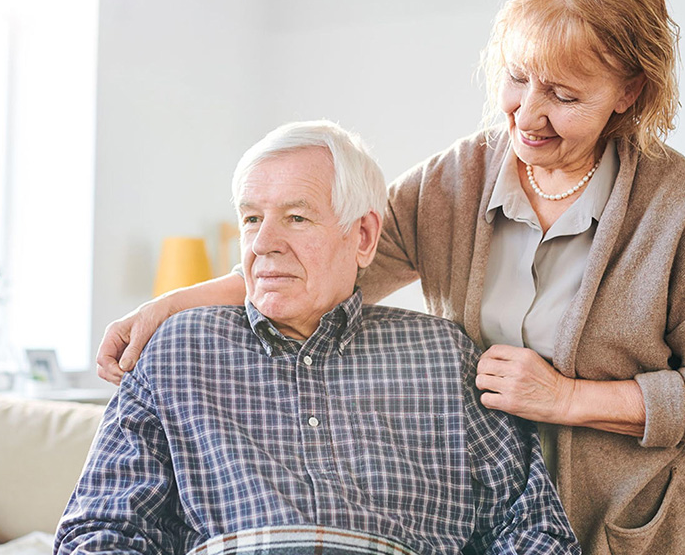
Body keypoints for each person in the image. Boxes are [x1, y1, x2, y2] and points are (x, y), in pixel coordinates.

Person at [96, 0, 685, 553]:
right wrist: (167, 309)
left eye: (562, 95)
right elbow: (321, 257)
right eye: (518, 79)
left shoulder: (674, 202)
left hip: (655, 520)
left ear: (629, 94)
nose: (527, 114)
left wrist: (568, 399)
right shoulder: (457, 180)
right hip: (529, 509)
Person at [56, 121, 579, 555]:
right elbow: (101, 531)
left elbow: (533, 530)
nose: (263, 243)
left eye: (296, 217)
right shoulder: (178, 352)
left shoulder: (444, 356)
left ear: (364, 237)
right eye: (252, 219)